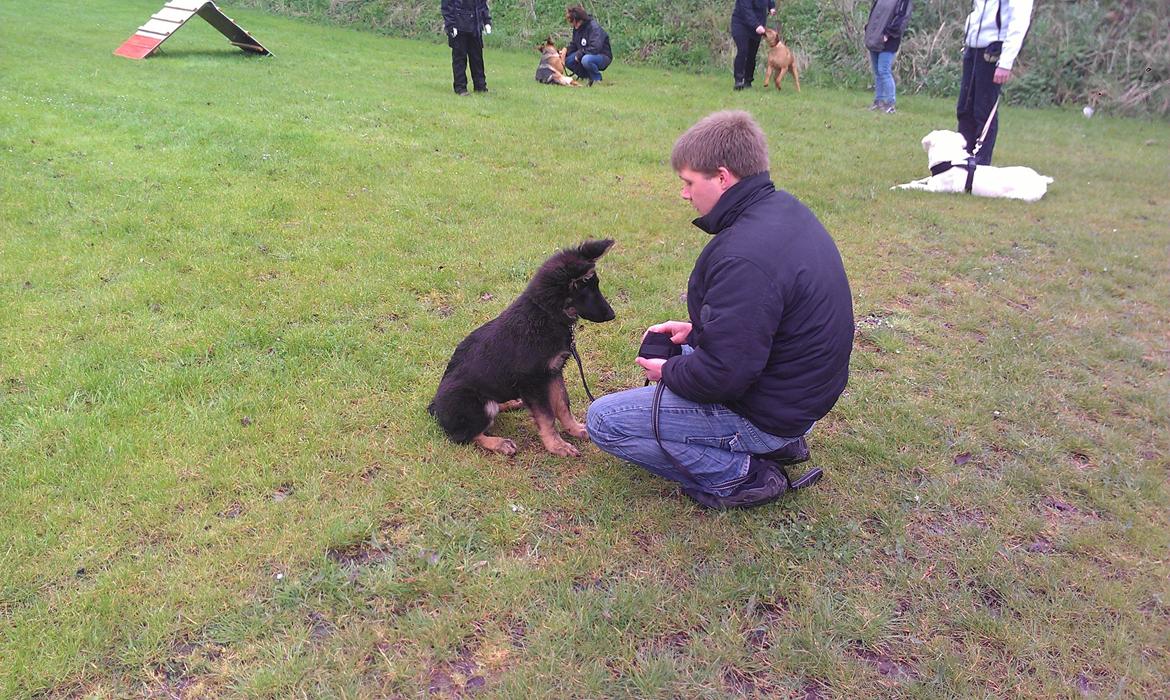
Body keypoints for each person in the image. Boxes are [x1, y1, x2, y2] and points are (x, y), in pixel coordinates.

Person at [586, 111, 854, 510]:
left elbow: (725, 375)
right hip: (798, 396)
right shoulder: (786, 210)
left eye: (689, 182)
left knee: (604, 421)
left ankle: (742, 474)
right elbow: (762, 323)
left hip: (771, 413)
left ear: (723, 177)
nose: (684, 193)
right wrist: (695, 334)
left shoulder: (744, 257)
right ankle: (780, 444)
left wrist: (668, 372)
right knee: (686, 354)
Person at [957, 0, 1034, 164]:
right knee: (964, 109)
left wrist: (1005, 62)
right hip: (973, 47)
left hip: (992, 50)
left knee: (984, 111)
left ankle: (980, 163)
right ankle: (961, 159)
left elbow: (1019, 22)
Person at [863, 0, 913, 113]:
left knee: (884, 70)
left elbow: (901, 18)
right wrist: (869, 30)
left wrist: (888, 34)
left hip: (889, 41)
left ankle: (890, 104)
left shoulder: (903, 1)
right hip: (874, 38)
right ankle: (878, 101)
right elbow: (874, 14)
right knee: (877, 71)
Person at [441, 0, 492, 96]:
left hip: (475, 26)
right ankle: (460, 88)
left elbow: (482, 4)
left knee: (477, 58)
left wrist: (486, 21)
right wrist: (451, 25)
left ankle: (480, 86)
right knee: (459, 59)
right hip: (459, 26)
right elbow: (447, 6)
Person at [730, 0, 776, 90]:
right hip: (741, 24)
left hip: (757, 25)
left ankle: (748, 81)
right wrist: (756, 25)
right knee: (743, 51)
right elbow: (746, 10)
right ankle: (739, 81)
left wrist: (771, 7)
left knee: (752, 55)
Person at [564, 5, 612, 86]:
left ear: (577, 20)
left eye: (572, 21)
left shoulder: (594, 28)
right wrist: (565, 51)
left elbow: (595, 48)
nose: (571, 24)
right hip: (585, 53)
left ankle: (597, 79)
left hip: (602, 56)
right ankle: (587, 76)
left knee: (586, 60)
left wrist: (580, 54)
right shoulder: (577, 28)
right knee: (568, 61)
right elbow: (574, 44)